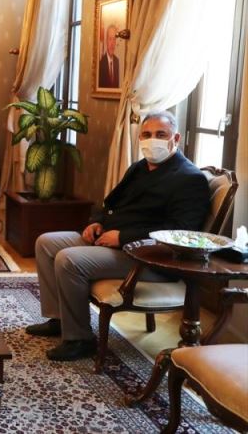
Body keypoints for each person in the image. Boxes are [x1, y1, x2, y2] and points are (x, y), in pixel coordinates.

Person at [26, 111, 209, 361]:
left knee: (68, 259)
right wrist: (97, 222)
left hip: (151, 257)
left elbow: (179, 232)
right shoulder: (139, 168)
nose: (152, 140)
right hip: (114, 240)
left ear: (175, 138)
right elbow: (111, 204)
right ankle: (59, 319)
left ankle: (80, 339)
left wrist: (123, 237)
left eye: (160, 134)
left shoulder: (190, 178)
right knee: (46, 243)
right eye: (146, 134)